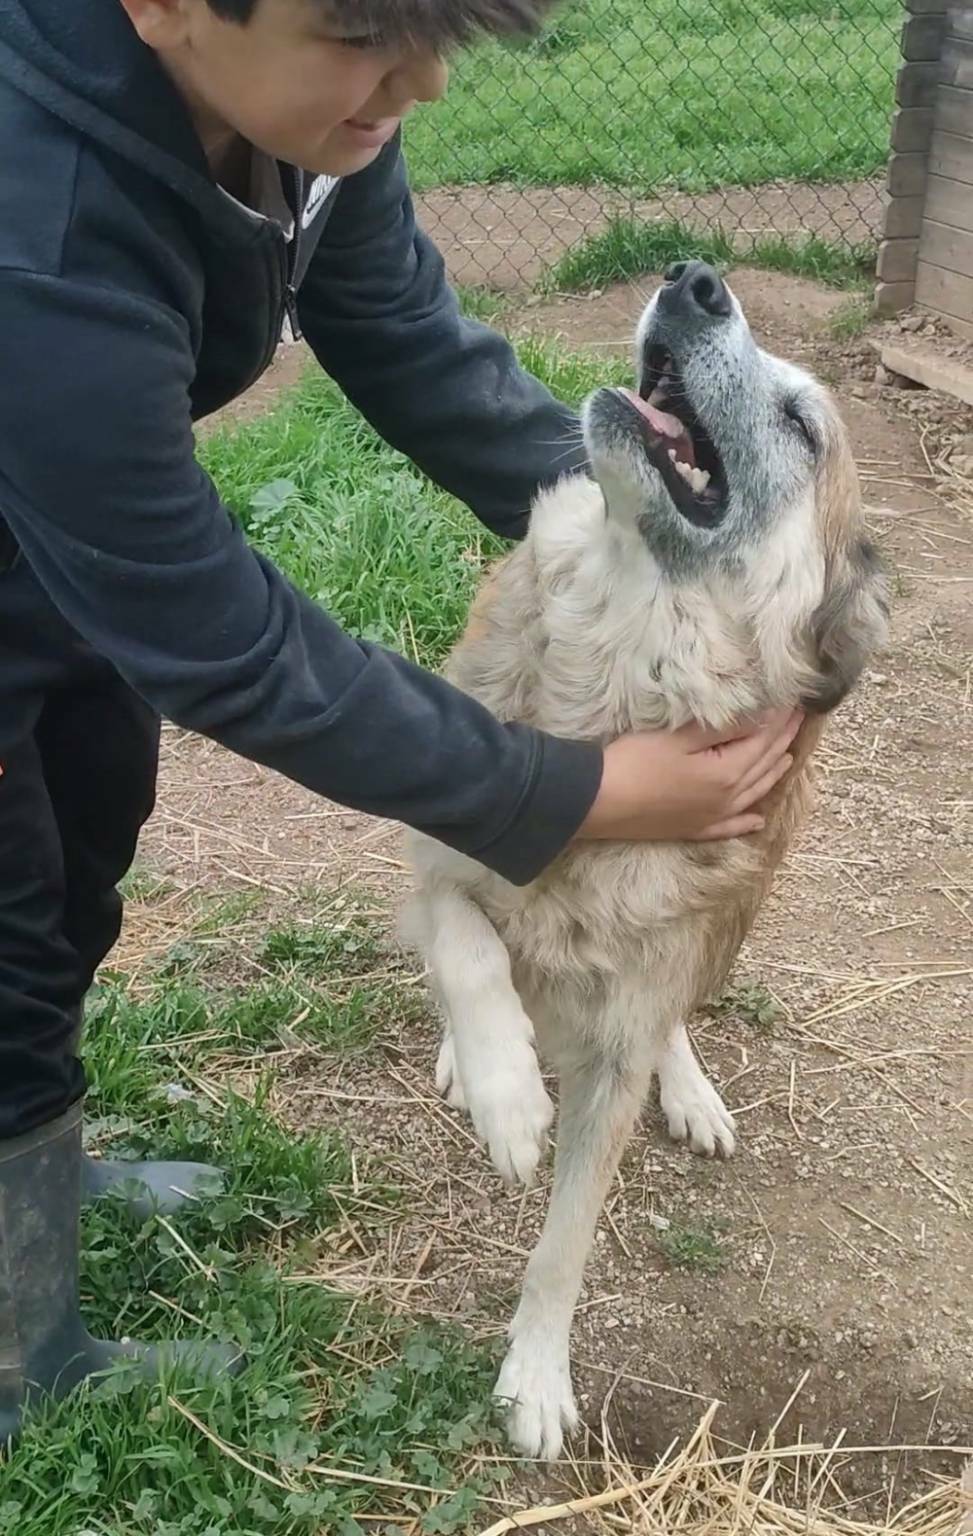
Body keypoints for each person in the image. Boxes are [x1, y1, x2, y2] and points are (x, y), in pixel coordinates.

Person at [0, 0, 802, 1439]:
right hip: (49, 480)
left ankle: (33, 1163)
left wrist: (640, 527)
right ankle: (19, 1353)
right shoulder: (33, 215)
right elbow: (220, 640)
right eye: (367, 30)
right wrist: (571, 795)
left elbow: (404, 338)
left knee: (80, 834)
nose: (419, 82)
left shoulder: (302, 111)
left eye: (437, 29)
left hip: (51, 509)